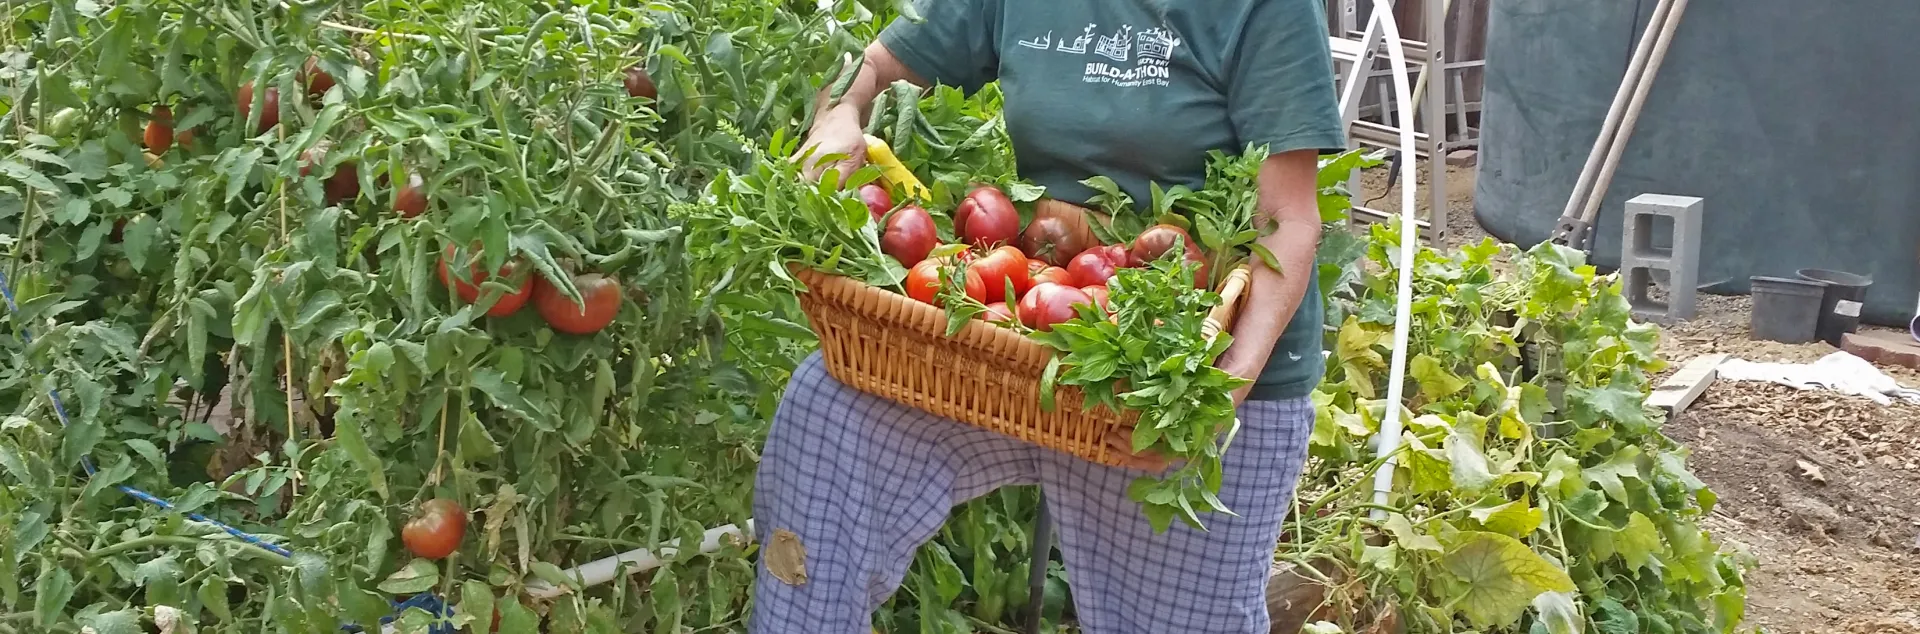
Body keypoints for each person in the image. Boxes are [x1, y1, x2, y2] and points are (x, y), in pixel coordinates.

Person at [751, 0, 1344, 631]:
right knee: (831, 410)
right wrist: (838, 114)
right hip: (1033, 326)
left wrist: (1218, 392)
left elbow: (1289, 218)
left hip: (1190, 363)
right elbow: (870, 68)